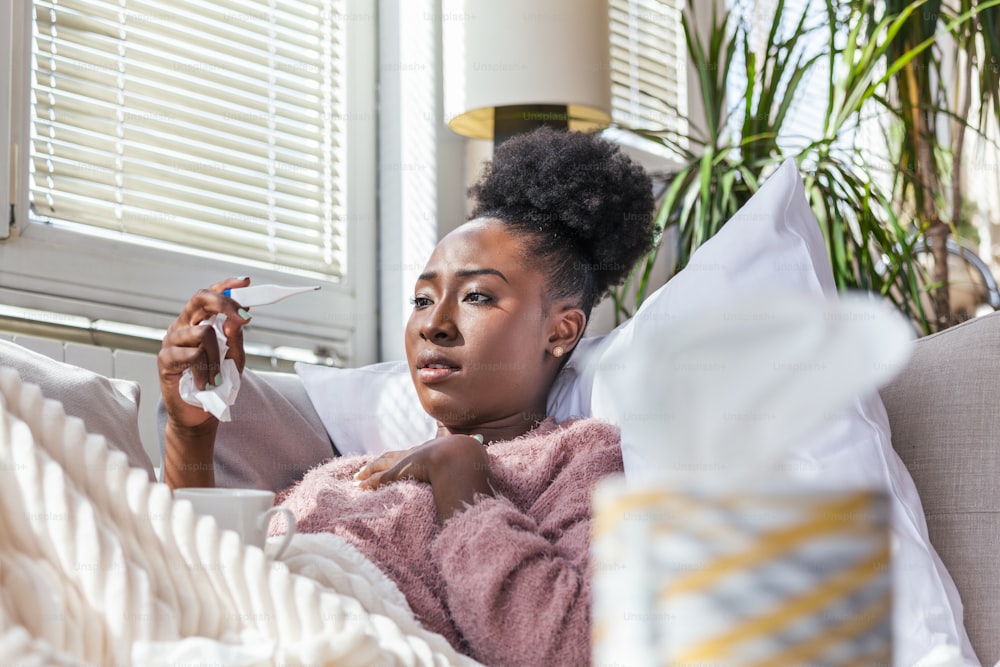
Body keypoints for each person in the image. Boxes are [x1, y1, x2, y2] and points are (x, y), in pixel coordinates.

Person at [159, 127, 656, 666]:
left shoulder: (577, 459)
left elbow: (565, 648)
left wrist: (463, 479)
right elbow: (202, 565)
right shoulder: (346, 471)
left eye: (477, 296)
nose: (434, 324)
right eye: (422, 298)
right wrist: (191, 432)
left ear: (560, 332)